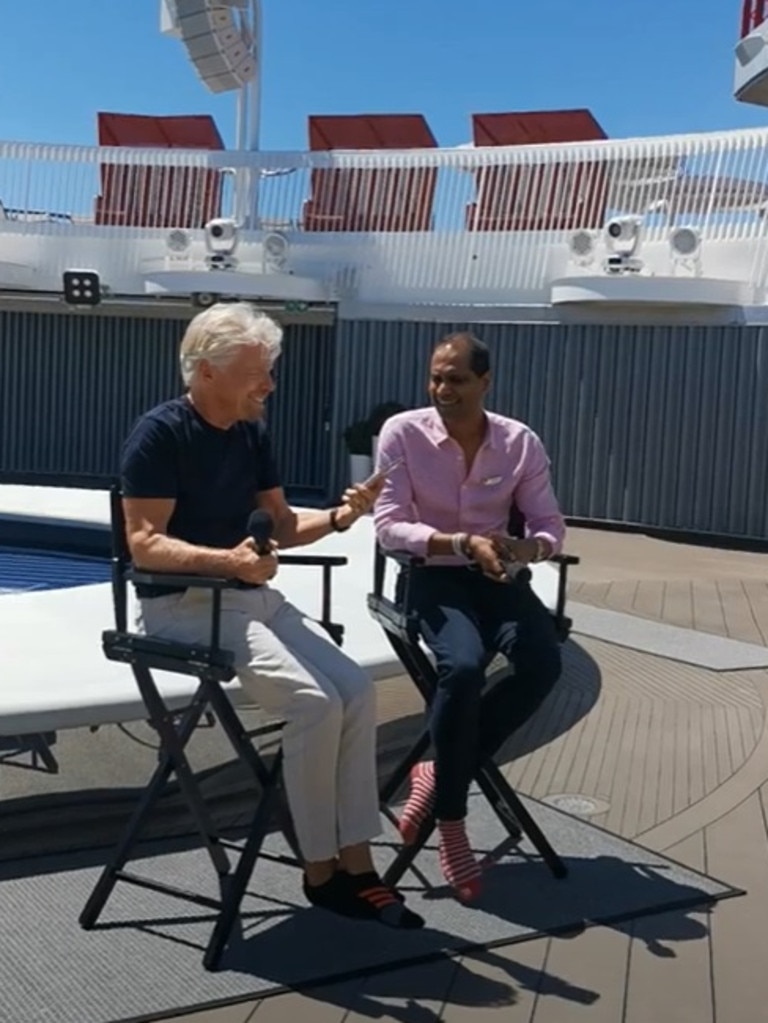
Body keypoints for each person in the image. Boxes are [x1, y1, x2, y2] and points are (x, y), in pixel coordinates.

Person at [120, 301, 423, 930]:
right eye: (258, 372)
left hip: (246, 596)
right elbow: (144, 543)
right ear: (206, 371)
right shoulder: (159, 433)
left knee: (358, 691)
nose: (271, 385)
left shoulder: (251, 433)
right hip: (182, 608)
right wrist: (225, 561)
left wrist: (344, 516)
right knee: (314, 704)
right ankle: (321, 872)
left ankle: (358, 863)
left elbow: (281, 527)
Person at [373, 331, 565, 902]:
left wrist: (525, 551)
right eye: (436, 377)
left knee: (542, 663)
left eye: (456, 379)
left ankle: (438, 771)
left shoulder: (519, 442)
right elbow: (387, 525)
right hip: (431, 574)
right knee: (462, 667)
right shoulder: (403, 433)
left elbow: (549, 526)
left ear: (485, 381)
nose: (442, 389)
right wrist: (458, 542)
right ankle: (453, 826)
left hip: (498, 576)